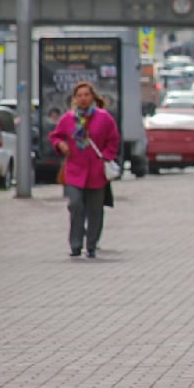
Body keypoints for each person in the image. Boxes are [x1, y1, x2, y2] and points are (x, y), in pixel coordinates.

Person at [50, 81, 120, 258]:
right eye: (79, 95)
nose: (83, 99)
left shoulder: (104, 118)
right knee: (75, 205)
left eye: (86, 95)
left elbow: (113, 140)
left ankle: (91, 245)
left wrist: (106, 155)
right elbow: (56, 136)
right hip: (75, 170)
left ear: (92, 97)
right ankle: (75, 244)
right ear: (75, 98)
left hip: (96, 171)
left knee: (95, 210)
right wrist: (61, 145)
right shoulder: (68, 119)